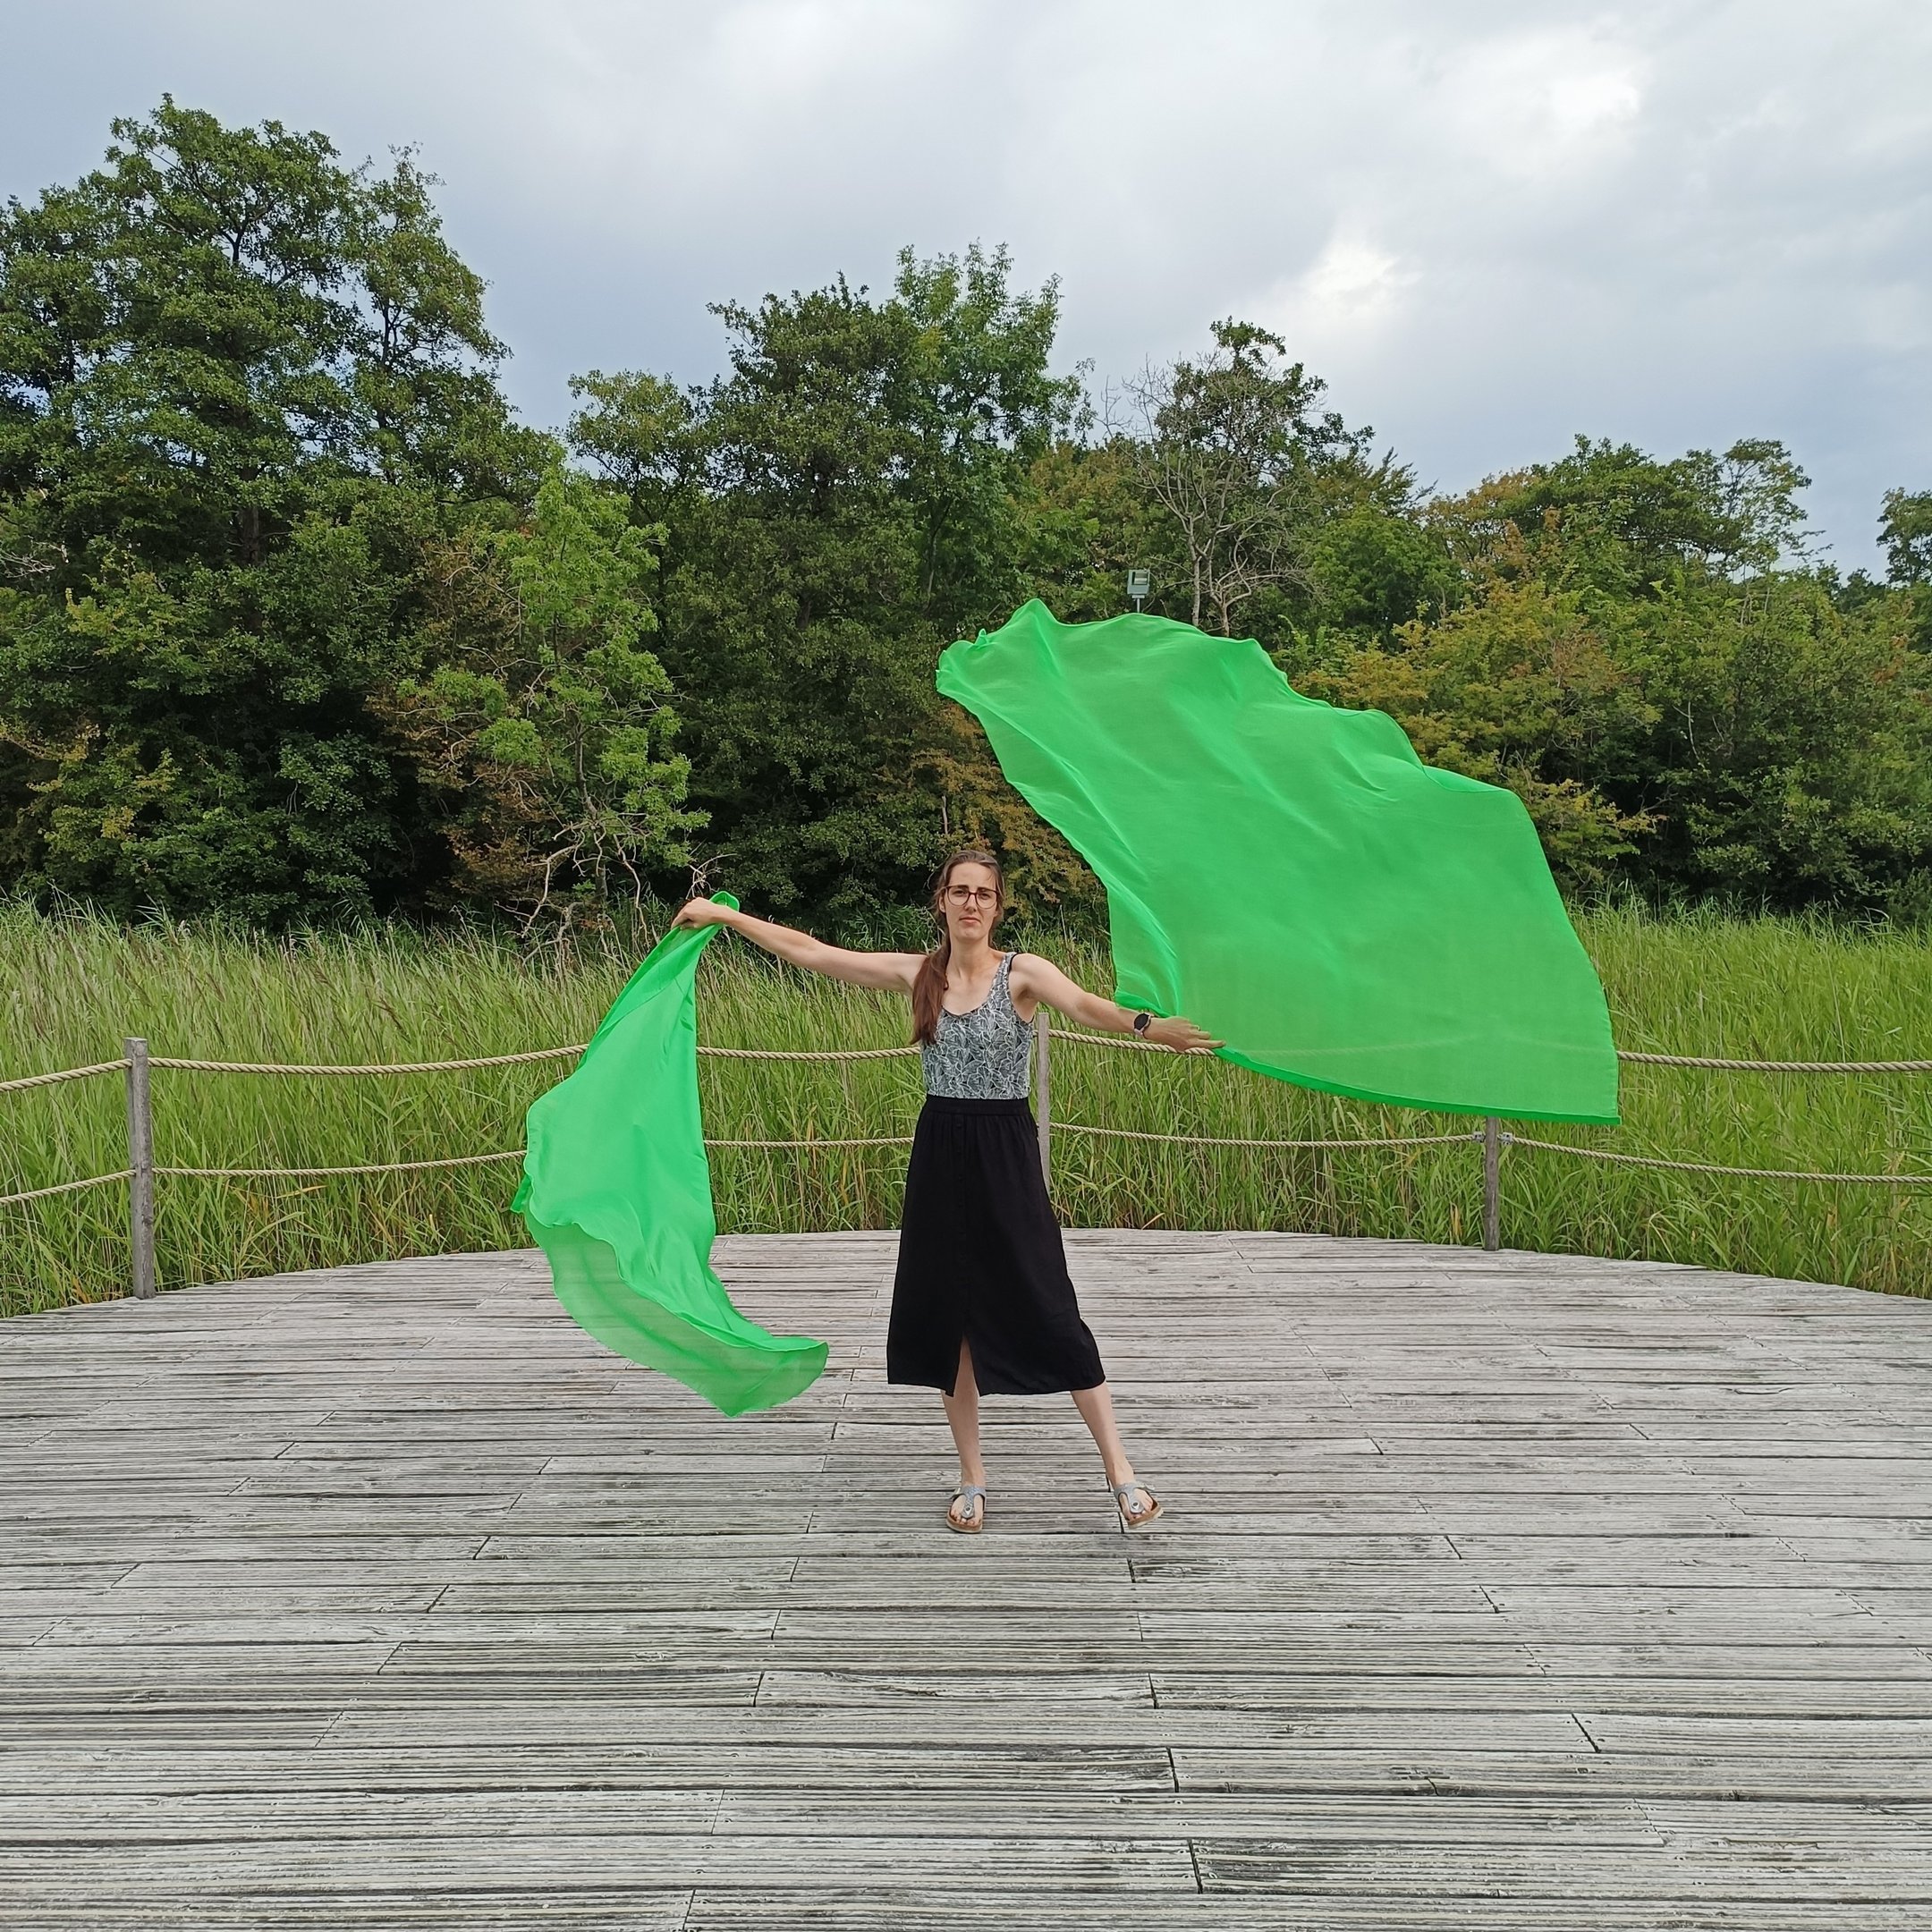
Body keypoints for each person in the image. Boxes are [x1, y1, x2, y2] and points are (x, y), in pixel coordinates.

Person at [674, 849, 1221, 1534]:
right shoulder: (919, 974)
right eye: (960, 891)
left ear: (997, 906)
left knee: (1053, 1308)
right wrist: (725, 918)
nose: (971, 903)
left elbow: (1086, 1006)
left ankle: (1122, 1474)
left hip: (1006, 1152)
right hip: (940, 1152)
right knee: (950, 1322)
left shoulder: (1022, 973)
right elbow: (814, 954)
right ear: (941, 901)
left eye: (983, 894)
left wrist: (1150, 1028)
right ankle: (972, 1479)